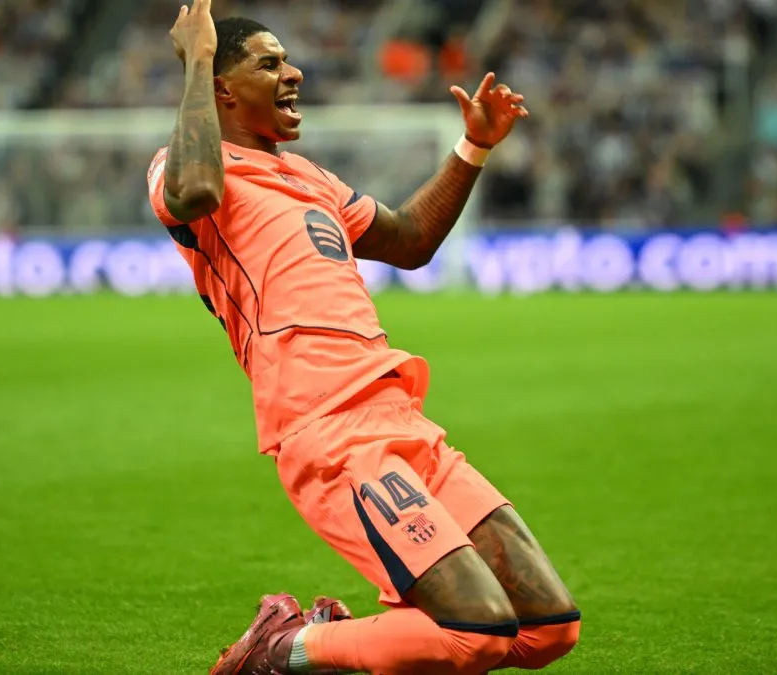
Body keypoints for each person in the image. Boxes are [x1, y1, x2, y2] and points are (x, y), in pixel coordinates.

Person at [145, 2, 580, 672]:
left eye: (288, 60)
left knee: (549, 628)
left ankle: (343, 636)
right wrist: (198, 58)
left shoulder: (310, 178)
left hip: (400, 417)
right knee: (477, 630)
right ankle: (283, 647)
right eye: (269, 63)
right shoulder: (185, 167)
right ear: (222, 90)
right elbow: (195, 189)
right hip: (328, 427)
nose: (293, 73)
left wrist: (473, 148)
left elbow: (410, 239)